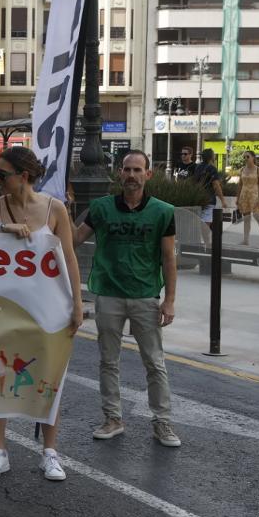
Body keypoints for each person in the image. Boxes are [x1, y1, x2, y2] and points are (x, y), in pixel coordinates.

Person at [0, 147, 83, 483]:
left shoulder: (55, 209)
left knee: (50, 378)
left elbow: (68, 257)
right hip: (4, 308)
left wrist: (77, 303)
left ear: (23, 176)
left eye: (2, 174)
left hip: (49, 307)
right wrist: (5, 231)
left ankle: (49, 452)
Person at [74, 150, 182, 448]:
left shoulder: (163, 211)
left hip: (146, 296)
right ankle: (112, 418)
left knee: (154, 362)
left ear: (148, 174)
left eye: (137, 170)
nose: (131, 175)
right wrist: (56, 210)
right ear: (119, 173)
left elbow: (168, 258)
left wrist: (169, 300)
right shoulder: (101, 208)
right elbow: (74, 240)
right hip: (108, 294)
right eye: (127, 169)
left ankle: (162, 422)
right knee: (109, 361)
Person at [236, 150, 259, 247]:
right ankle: (245, 240)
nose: (245, 159)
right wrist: (237, 198)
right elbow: (239, 185)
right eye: (244, 157)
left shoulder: (258, 169)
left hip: (254, 195)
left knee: (257, 216)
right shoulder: (242, 169)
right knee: (246, 218)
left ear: (253, 158)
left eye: (247, 157)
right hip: (244, 195)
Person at [191, 149, 225, 245]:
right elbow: (216, 185)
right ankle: (207, 243)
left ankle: (207, 241)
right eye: (214, 155)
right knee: (206, 222)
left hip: (198, 197)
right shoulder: (212, 168)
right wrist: (223, 200)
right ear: (211, 157)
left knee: (205, 220)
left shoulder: (198, 167)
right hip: (209, 199)